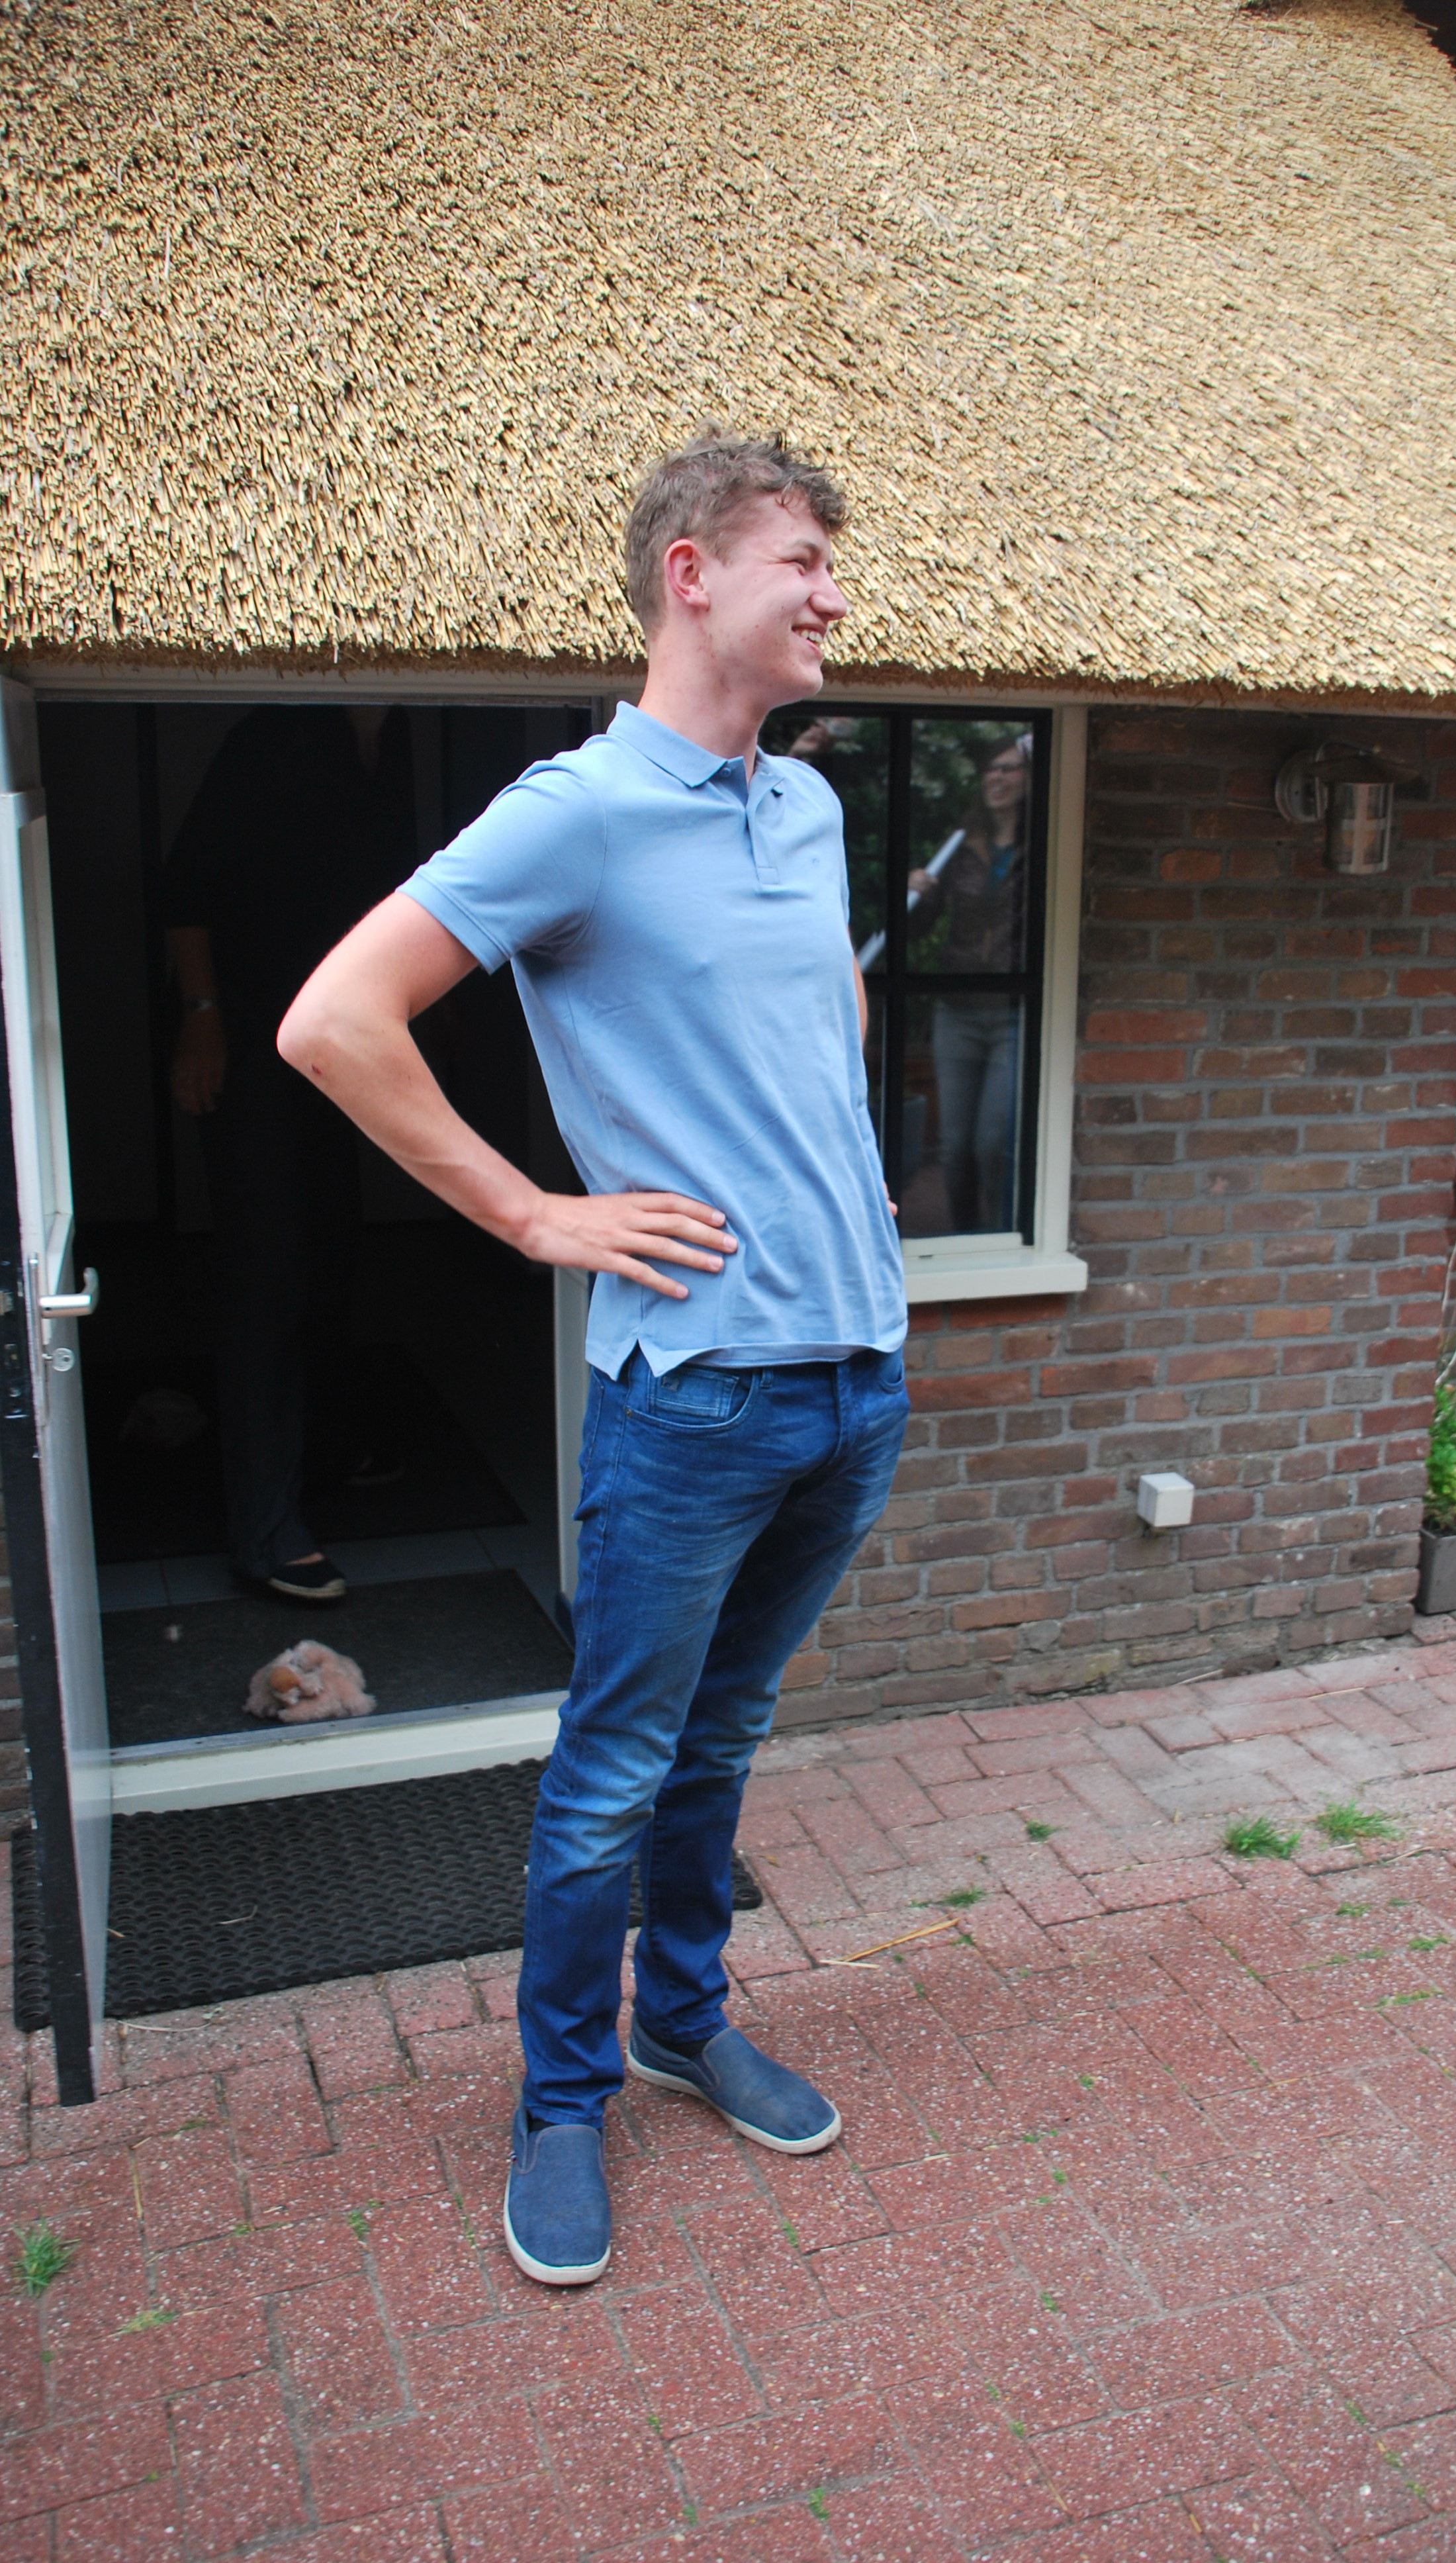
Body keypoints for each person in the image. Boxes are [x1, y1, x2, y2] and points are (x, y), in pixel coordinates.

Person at [278, 432, 909, 2286]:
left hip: (856, 1376)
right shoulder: (577, 811)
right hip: (695, 1397)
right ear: (692, 575)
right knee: (617, 1766)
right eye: (804, 559)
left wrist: (839, 1188)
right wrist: (536, 1217)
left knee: (725, 1734)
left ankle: (683, 2021)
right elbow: (335, 1021)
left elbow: (825, 1017)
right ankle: (562, 2103)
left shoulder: (808, 808)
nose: (834, 593)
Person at [165, 704, 417, 1599]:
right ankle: (265, 1529)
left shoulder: (392, 742)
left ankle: (327, 1450)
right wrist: (203, 1020)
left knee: (333, 1247)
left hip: (337, 1045)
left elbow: (393, 894)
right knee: (266, 1272)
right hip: (249, 1036)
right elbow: (185, 890)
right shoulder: (274, 736)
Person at [908, 735, 1030, 1232]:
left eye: (1009, 769)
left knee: (992, 1144)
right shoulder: (961, 846)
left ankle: (1000, 1237)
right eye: (990, 770)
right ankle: (964, 1237)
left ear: (1030, 778)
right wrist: (917, 892)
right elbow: (917, 929)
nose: (997, 778)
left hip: (1011, 1013)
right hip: (957, 1011)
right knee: (955, 1147)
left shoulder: (1044, 845)